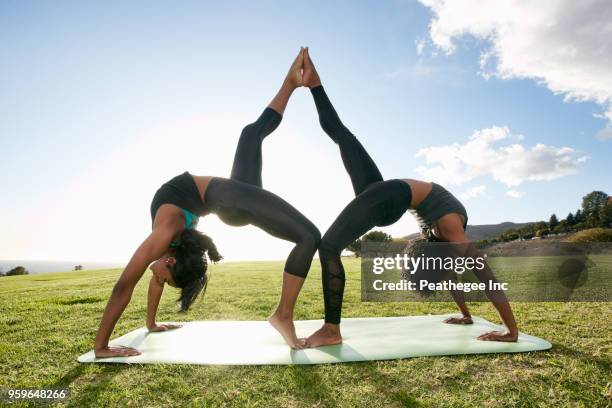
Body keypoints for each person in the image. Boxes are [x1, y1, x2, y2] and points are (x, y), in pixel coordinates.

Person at [93, 48, 320, 357]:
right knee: (307, 233)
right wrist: (150, 323)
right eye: (162, 277)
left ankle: (291, 83)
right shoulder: (169, 247)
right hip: (226, 204)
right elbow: (155, 279)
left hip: (228, 204)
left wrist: (104, 344)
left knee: (250, 136)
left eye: (162, 277)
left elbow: (124, 286)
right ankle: (282, 316)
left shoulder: (165, 236)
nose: (156, 278)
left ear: (170, 260)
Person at [300, 48, 519, 347]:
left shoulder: (448, 239)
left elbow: (457, 274)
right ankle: (315, 84)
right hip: (388, 196)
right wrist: (504, 328)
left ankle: (331, 329)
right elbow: (485, 277)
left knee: (329, 246)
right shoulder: (451, 230)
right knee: (342, 136)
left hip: (390, 198)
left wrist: (484, 321)